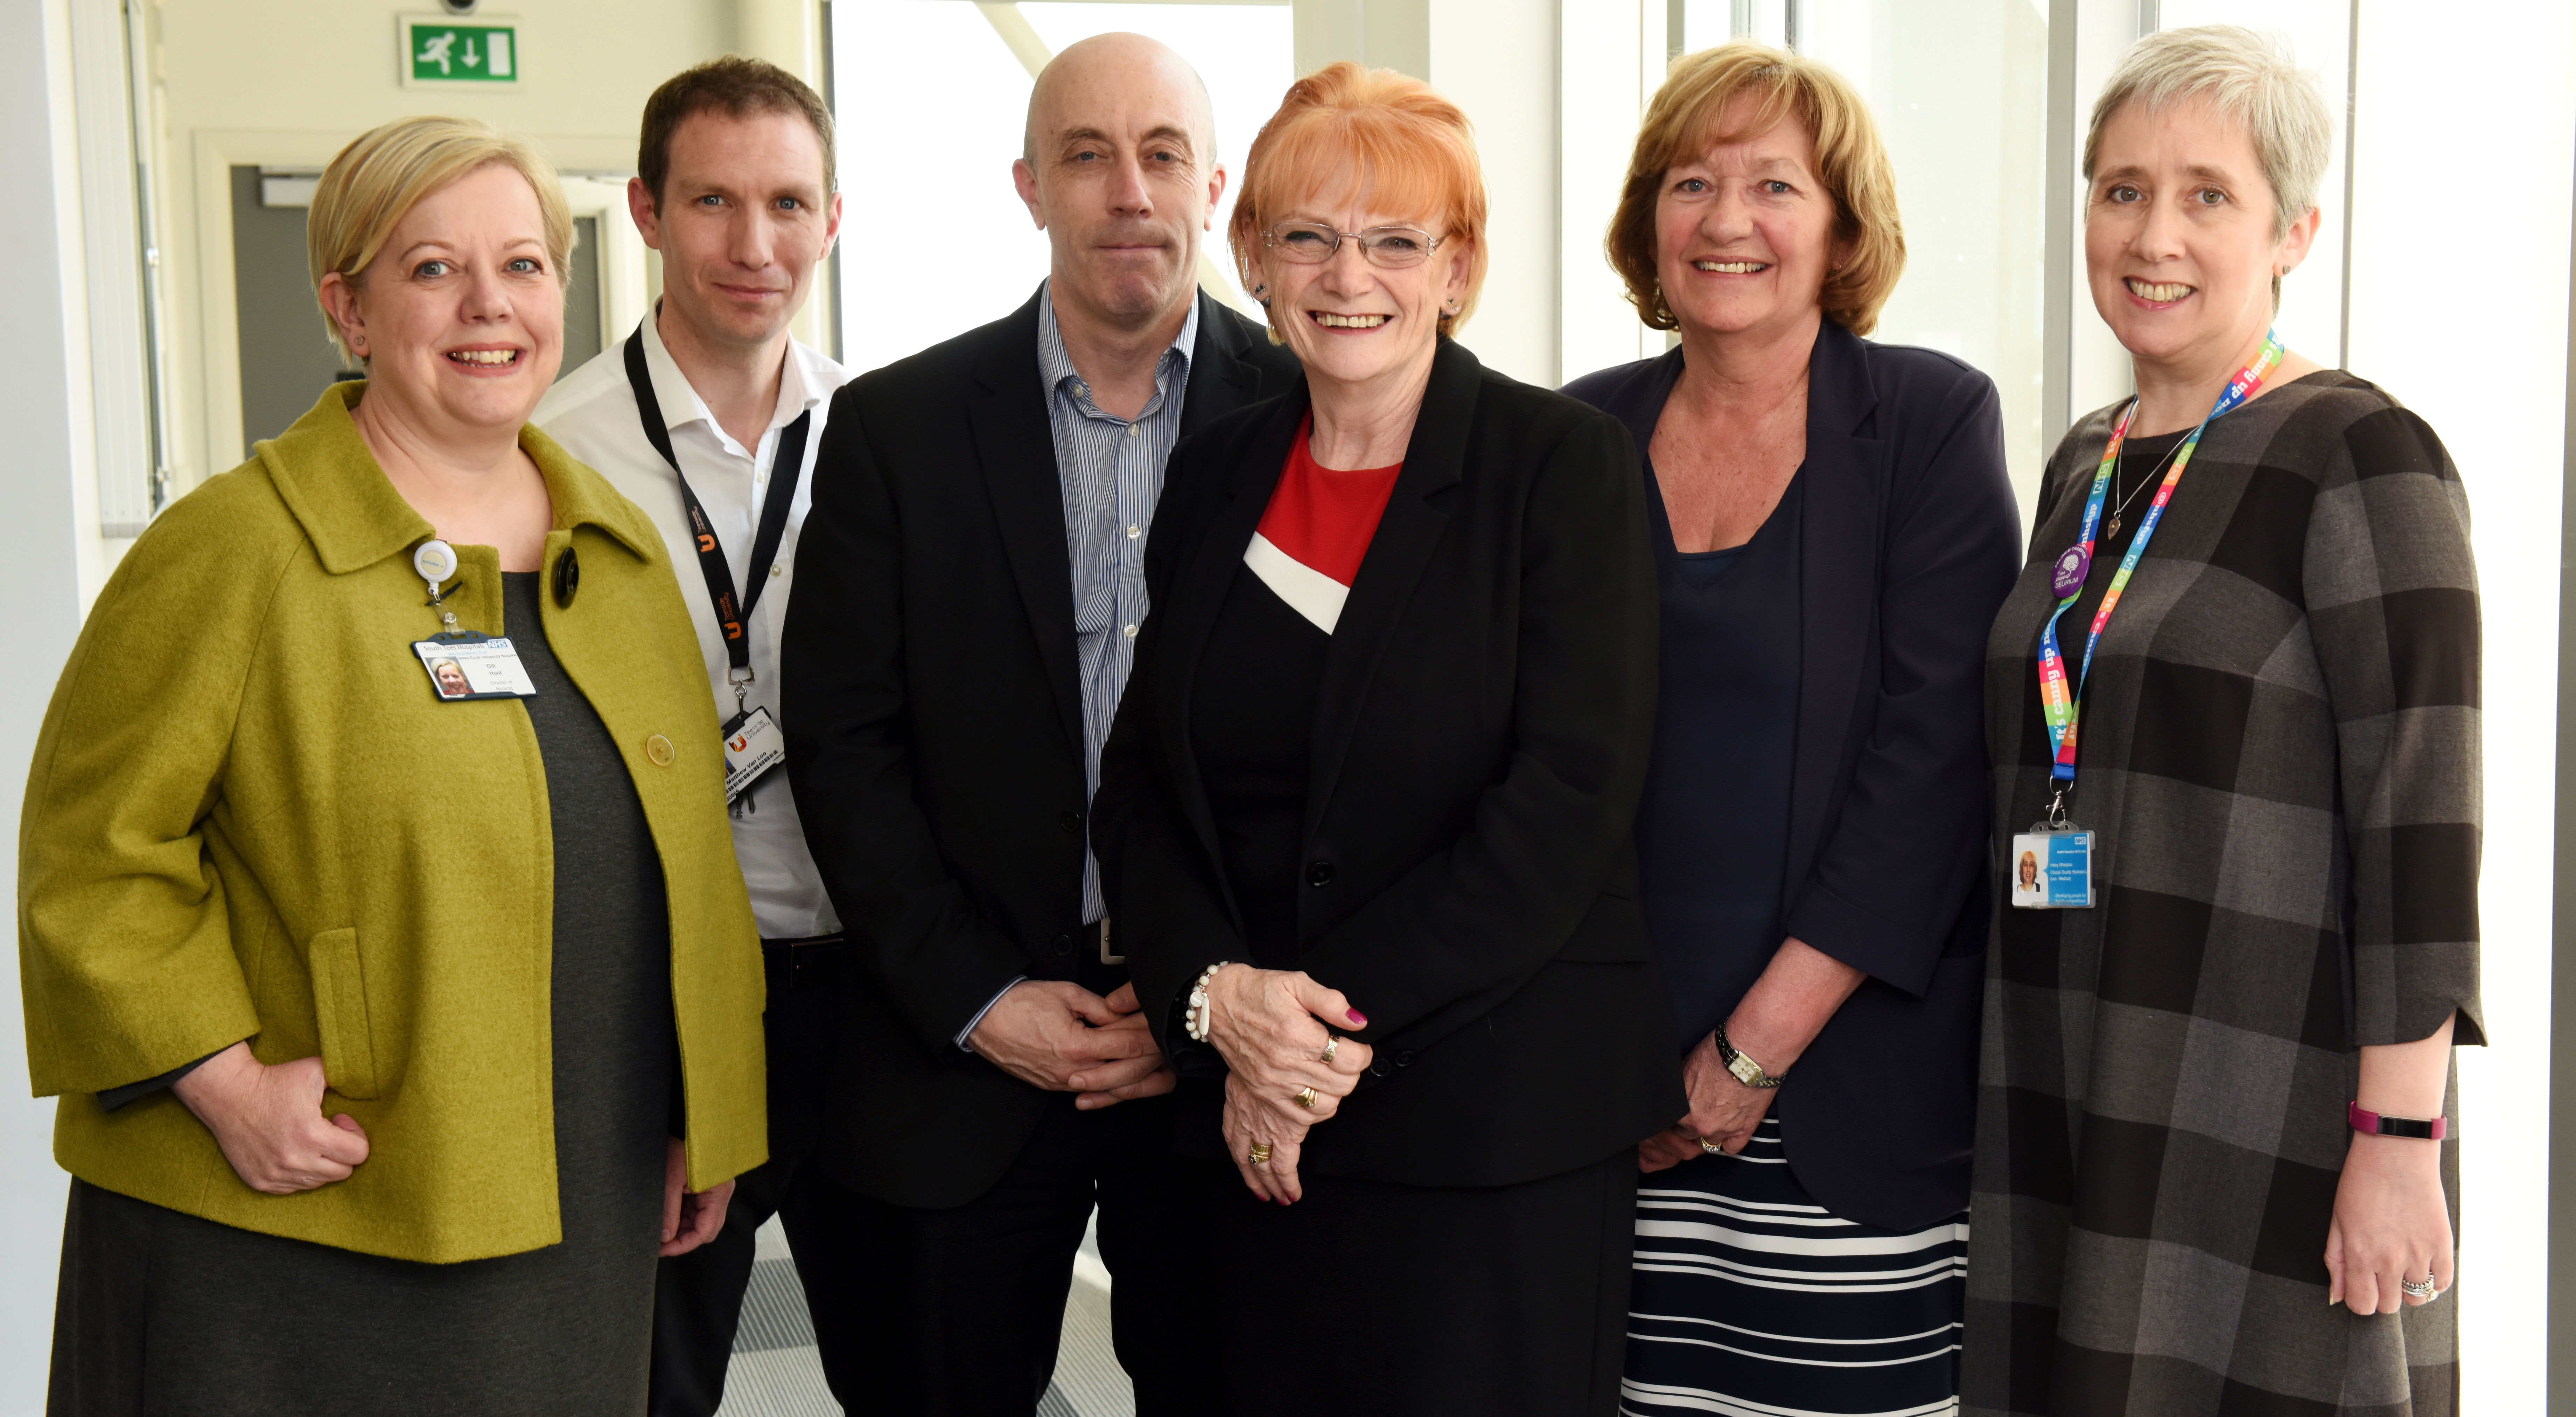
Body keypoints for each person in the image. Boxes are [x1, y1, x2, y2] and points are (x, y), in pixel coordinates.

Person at [23, 116, 766, 1415]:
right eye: (432, 270)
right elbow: (91, 861)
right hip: (301, 1220)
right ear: (347, 309)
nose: (491, 306)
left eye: (527, 266)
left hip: (573, 1207)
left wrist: (690, 1103)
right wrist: (224, 1082)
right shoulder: (236, 551)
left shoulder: (625, 564)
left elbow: (678, 872)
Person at [1090, 61, 1681, 1415]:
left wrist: (1310, 1042)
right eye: (1307, 235)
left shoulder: (1564, 465)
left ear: (1458, 268)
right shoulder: (1220, 467)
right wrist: (1219, 1006)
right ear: (1253, 256)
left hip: (1483, 1135)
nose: (1348, 274)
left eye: (1396, 241)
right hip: (1232, 1134)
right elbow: (1141, 792)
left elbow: (1567, 801)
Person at [780, 33, 1298, 1414]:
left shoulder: (1312, 415)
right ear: (1028, 186)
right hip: (961, 1052)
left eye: (1161, 155)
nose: (1128, 190)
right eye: (1087, 155)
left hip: (1220, 1059)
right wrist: (977, 998)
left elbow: (1347, 761)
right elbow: (844, 746)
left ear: (1213, 184)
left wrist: (1200, 1002)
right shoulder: (898, 428)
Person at [1965, 26, 2480, 1416]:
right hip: (2071, 1048)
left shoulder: (2359, 453)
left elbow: (2420, 822)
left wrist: (2396, 1135)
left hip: (2265, 1086)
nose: (2153, 232)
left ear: (2295, 229)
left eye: (2207, 195)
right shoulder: (2086, 460)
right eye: (2122, 188)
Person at [1559, 41, 2019, 1416]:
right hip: (1616, 1114)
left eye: (1774, 185)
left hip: (1841, 1100)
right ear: (1650, 219)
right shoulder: (1576, 438)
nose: (1727, 220)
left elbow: (1931, 764)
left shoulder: (1929, 421)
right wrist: (1633, 1062)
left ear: (1840, 227)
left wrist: (1743, 1057)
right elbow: (1541, 771)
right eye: (1691, 182)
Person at [534, 57, 877, 1417]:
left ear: (833, 220)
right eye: (714, 201)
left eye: (788, 202)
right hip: (656, 1009)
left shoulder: (885, 439)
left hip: (870, 997)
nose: (754, 245)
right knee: (645, 1384)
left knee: (922, 1373)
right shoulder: (554, 457)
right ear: (646, 211)